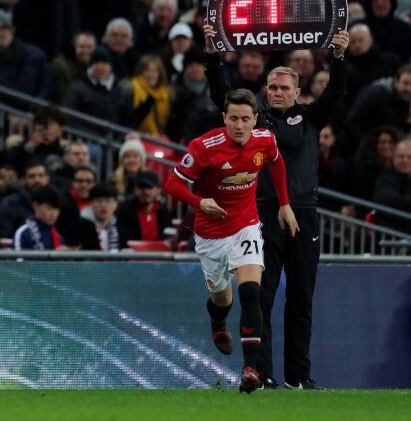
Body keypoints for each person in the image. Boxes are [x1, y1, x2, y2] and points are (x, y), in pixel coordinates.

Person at [203, 24, 349, 389]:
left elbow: (336, 92)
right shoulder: (254, 122)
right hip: (262, 216)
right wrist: (211, 56)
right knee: (261, 297)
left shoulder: (311, 118)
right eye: (273, 87)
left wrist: (339, 57)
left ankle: (298, 377)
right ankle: (262, 373)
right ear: (265, 92)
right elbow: (223, 95)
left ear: (298, 92)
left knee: (301, 298)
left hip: (304, 217)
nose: (279, 92)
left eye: (285, 87)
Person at [164, 88, 298, 393]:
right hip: (211, 235)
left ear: (255, 120)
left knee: (251, 292)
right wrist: (200, 202)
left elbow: (276, 162)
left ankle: (251, 369)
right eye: (233, 119)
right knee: (222, 299)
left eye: (245, 119)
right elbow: (172, 183)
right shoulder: (204, 147)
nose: (239, 125)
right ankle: (217, 321)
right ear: (224, 118)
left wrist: (285, 203)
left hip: (246, 226)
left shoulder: (265, 139)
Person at [373, 139, 411, 236]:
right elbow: (386, 201)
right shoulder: (384, 179)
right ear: (393, 158)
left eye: (409, 157)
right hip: (390, 236)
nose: (405, 160)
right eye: (401, 156)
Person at [116, 170, 171, 243]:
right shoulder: (124, 210)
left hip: (159, 253)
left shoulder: (163, 211)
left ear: (158, 190)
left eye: (150, 188)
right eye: (141, 188)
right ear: (134, 189)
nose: (146, 192)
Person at [13, 185, 66, 250]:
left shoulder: (58, 237)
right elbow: (19, 259)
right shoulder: (23, 233)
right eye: (48, 208)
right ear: (36, 206)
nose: (53, 214)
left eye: (57, 209)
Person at [77, 182, 123, 251]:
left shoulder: (121, 229)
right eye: (99, 201)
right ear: (91, 203)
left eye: (108, 201)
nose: (103, 205)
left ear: (116, 204)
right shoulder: (79, 228)